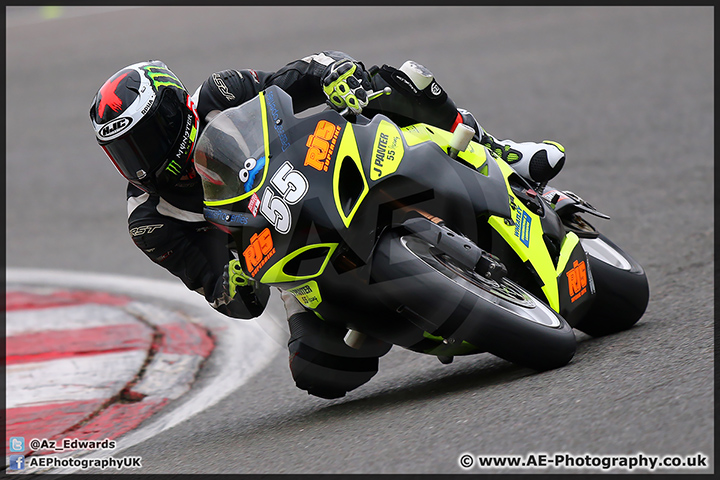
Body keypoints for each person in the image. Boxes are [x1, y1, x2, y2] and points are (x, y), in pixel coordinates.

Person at [89, 51, 565, 399]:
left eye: (147, 138)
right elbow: (219, 289)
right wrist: (234, 280)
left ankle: (499, 149)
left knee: (398, 80)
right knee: (319, 370)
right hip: (281, 251)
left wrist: (332, 75)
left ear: (175, 109)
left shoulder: (220, 92)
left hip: (321, 167)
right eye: (126, 151)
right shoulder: (150, 220)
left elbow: (294, 77)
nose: (142, 159)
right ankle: (398, 309)